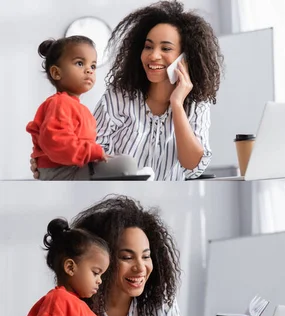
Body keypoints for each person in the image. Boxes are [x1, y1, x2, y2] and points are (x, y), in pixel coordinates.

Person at [22, 196, 229, 316]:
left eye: (146, 256)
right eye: (127, 257)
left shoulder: (161, 303)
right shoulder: (72, 303)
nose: (140, 267)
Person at [30, 1, 222, 181]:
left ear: (185, 58)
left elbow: (193, 167)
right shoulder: (118, 97)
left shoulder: (197, 105)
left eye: (166, 48)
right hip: (116, 198)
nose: (153, 55)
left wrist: (177, 105)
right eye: (148, 46)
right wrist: (51, 162)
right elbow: (90, 159)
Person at [26, 36, 139, 180]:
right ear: (56, 73)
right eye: (80, 63)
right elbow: (57, 141)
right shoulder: (59, 103)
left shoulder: (79, 108)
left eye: (93, 66)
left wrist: (94, 154)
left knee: (124, 162)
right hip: (62, 170)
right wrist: (94, 152)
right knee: (125, 164)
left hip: (74, 166)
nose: (89, 70)